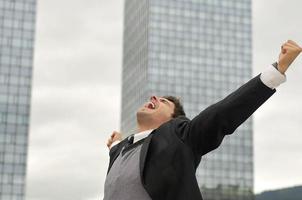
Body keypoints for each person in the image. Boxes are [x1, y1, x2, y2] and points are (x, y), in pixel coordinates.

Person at [103, 40, 302, 200]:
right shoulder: (120, 151)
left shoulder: (179, 136)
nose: (153, 99)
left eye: (163, 101)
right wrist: (118, 142)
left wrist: (277, 71)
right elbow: (121, 150)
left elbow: (223, 113)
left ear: (173, 120)